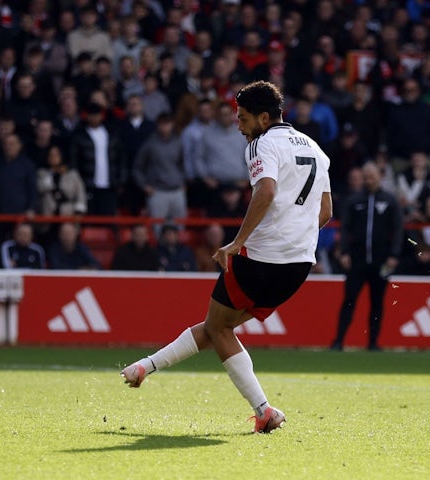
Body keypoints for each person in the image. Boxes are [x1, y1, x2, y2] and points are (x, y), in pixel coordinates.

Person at [120, 81, 333, 434]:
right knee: (219, 327)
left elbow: (266, 191)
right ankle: (144, 367)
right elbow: (324, 212)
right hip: (298, 265)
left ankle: (264, 410)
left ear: (264, 118)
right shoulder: (315, 148)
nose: (238, 125)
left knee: (219, 327)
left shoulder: (261, 144)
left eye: (244, 118)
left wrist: (238, 241)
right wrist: (295, 235)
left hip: (261, 258)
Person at [330, 162, 404, 352]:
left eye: (372, 176)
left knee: (377, 303)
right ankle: (338, 341)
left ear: (379, 176)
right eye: (366, 177)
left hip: (381, 260)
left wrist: (394, 255)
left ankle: (373, 343)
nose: (369, 180)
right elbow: (345, 229)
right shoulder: (354, 200)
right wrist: (344, 252)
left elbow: (398, 229)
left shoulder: (389, 200)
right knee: (349, 300)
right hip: (357, 259)